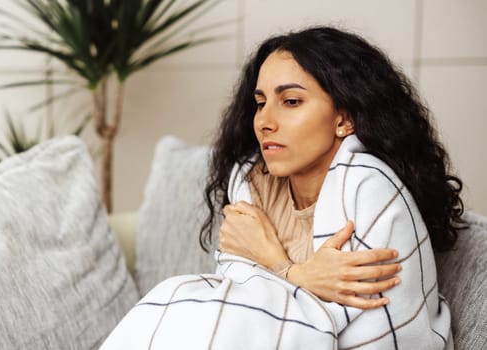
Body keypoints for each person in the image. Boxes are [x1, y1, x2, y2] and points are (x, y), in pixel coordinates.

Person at [101, 26, 464, 349]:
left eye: (291, 101)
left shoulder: (368, 187)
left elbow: (384, 331)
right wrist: (300, 275)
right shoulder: (252, 183)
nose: (264, 122)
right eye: (260, 104)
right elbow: (233, 302)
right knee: (179, 295)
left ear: (345, 118)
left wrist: (276, 263)